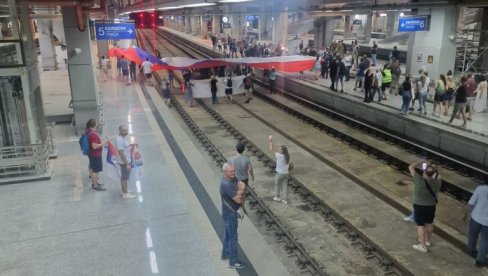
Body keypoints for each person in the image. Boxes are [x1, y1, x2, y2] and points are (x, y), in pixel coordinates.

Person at [408, 160, 441, 253]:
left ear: (424, 172)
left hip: (420, 206)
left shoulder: (418, 180)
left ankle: (422, 246)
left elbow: (411, 167)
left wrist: (422, 161)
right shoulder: (437, 182)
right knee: (429, 223)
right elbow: (435, 177)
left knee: (421, 225)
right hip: (431, 206)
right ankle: (428, 241)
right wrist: (432, 170)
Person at [220, 162, 247, 269]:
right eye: (231, 172)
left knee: (228, 235)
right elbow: (238, 199)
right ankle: (233, 262)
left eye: (234, 171)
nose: (233, 173)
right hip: (230, 214)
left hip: (228, 212)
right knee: (233, 238)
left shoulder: (232, 179)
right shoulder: (226, 184)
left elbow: (238, 186)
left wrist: (239, 190)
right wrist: (241, 190)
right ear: (225, 172)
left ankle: (225, 253)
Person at [463, 182, 488, 268]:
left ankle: (470, 250)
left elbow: (471, 203)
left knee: (472, 235)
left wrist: (465, 213)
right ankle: (480, 261)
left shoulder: (480, 189)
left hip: (475, 218)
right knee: (485, 242)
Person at [268, 135, 292, 204]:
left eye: (280, 149)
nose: (279, 150)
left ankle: (277, 197)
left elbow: (271, 149)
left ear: (282, 150)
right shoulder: (287, 156)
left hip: (279, 174)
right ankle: (285, 200)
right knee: (285, 186)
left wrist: (270, 141)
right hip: (286, 173)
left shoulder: (279, 155)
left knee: (277, 185)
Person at [86, 119, 107, 191]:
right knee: (95, 171)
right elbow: (94, 146)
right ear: (94, 125)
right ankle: (95, 185)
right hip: (95, 155)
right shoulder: (93, 135)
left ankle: (95, 182)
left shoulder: (89, 132)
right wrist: (104, 143)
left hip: (92, 154)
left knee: (94, 169)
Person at [115, 125, 136, 199]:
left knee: (124, 177)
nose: (126, 132)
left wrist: (130, 146)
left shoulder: (122, 137)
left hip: (126, 160)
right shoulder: (119, 140)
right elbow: (121, 153)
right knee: (124, 178)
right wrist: (127, 164)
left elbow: (124, 148)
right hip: (124, 162)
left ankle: (124, 190)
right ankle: (125, 193)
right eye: (124, 131)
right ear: (120, 130)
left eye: (126, 130)